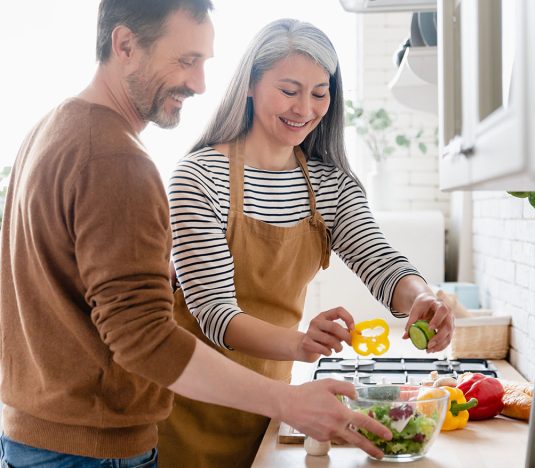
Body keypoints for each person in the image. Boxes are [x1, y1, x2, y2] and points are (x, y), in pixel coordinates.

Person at [0, 2, 392, 467]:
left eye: (204, 63)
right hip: (94, 448)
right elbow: (144, 337)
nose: (200, 83)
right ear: (124, 45)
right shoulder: (117, 161)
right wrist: (290, 401)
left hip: (40, 435)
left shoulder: (54, 131)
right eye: (186, 61)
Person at [161, 18, 454, 467]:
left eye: (320, 93)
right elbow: (215, 314)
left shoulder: (330, 185)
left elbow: (381, 262)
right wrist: (301, 343)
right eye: (289, 89)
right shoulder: (199, 177)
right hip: (186, 411)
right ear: (250, 86)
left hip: (273, 408)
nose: (305, 107)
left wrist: (423, 298)